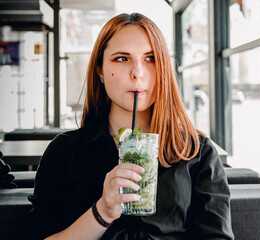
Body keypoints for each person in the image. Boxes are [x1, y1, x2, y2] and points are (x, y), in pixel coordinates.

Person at [28, 13, 234, 240]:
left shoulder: (198, 152)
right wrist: (102, 212)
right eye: (121, 58)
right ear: (100, 70)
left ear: (163, 68)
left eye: (150, 58)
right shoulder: (65, 152)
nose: (137, 72)